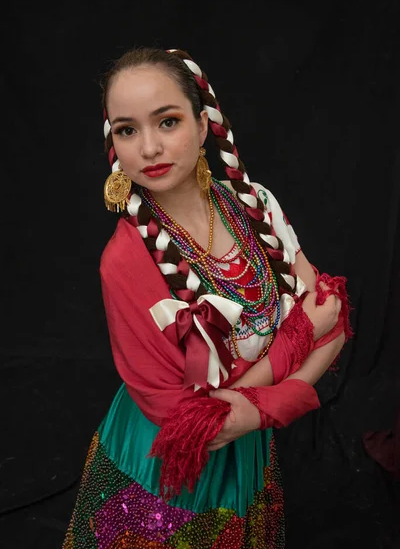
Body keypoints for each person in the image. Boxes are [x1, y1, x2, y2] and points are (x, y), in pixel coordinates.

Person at [62, 47, 352, 548]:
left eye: (167, 121)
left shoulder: (254, 205)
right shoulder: (127, 261)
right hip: (167, 461)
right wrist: (282, 371)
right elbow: (191, 424)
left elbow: (336, 319)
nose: (149, 148)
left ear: (203, 125)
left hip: (248, 443)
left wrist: (253, 410)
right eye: (127, 130)